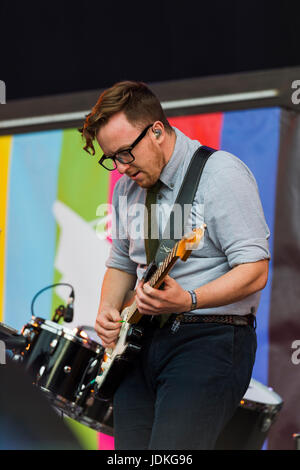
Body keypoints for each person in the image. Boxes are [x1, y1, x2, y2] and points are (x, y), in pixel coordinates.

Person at [80, 81, 270, 450]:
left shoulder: (221, 174)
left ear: (156, 131)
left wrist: (190, 299)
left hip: (208, 339)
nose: (120, 167)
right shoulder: (125, 191)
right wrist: (107, 310)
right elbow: (121, 263)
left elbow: (255, 270)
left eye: (124, 153)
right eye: (111, 158)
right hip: (138, 344)